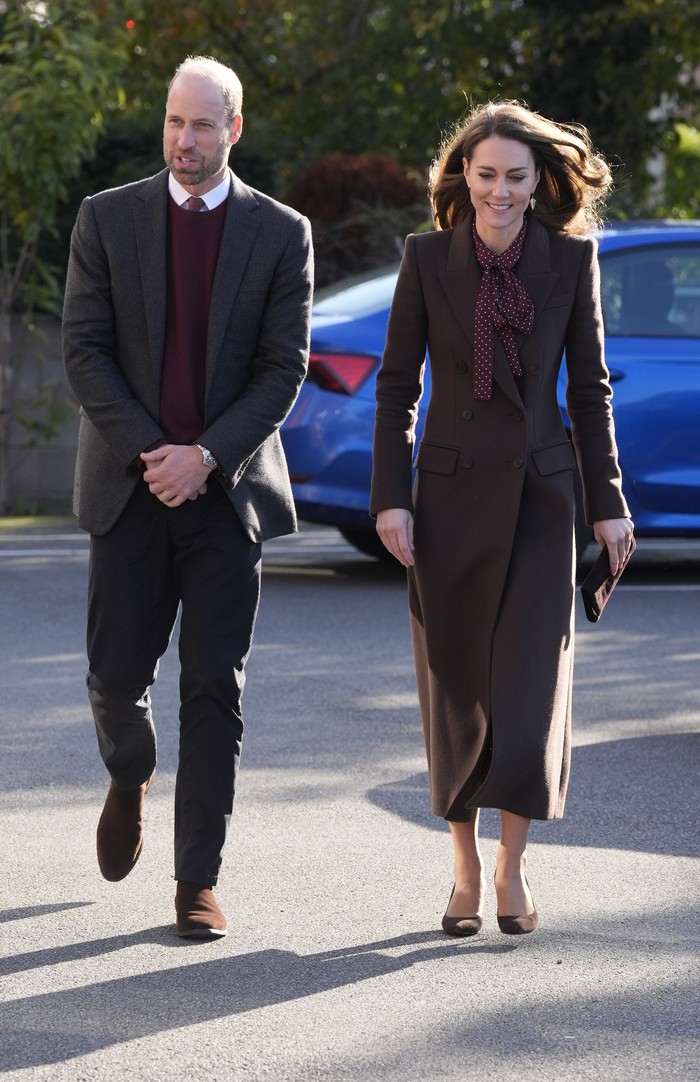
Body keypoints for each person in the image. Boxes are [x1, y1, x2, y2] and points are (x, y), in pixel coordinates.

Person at [63, 55, 313, 939]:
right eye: (176, 121)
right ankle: (130, 773)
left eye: (204, 124)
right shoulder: (107, 218)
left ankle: (196, 881)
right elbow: (84, 350)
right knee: (113, 679)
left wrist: (205, 457)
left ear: (233, 130)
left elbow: (283, 368)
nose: (185, 139)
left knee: (213, 686)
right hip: (129, 491)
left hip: (226, 496)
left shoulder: (280, 233)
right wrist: (155, 455)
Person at [371, 101, 633, 936]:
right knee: (457, 695)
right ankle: (463, 867)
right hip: (446, 504)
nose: (500, 192)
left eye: (515, 177)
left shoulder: (570, 261)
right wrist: (391, 496)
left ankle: (512, 867)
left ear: (538, 181)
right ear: (465, 177)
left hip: (540, 504)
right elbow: (396, 388)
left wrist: (609, 506)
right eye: (485, 175)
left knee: (527, 698)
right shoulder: (426, 259)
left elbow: (589, 390)